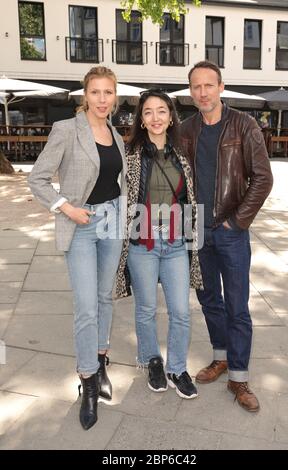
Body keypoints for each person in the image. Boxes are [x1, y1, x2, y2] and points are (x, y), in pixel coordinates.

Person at [28, 66, 127, 430]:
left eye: (108, 93)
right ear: (85, 95)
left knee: (104, 298)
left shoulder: (116, 133)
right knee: (86, 306)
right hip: (81, 225)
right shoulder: (67, 130)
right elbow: (37, 178)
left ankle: (101, 361)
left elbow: (117, 182)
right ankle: (87, 381)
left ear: (115, 96)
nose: (102, 99)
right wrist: (66, 207)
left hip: (113, 222)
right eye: (96, 92)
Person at [180, 60, 273, 412]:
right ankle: (220, 358)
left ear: (221, 87)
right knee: (208, 301)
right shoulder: (185, 130)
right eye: (196, 87)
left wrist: (237, 222)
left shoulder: (244, 126)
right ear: (191, 92)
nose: (202, 92)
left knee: (237, 307)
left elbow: (263, 178)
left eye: (209, 85)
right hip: (197, 232)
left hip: (231, 232)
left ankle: (239, 376)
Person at [116, 89, 202, 399]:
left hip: (176, 242)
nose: (155, 117)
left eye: (161, 111)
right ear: (141, 118)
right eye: (148, 112)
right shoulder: (130, 153)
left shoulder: (181, 153)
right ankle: (152, 360)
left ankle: (177, 368)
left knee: (181, 311)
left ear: (170, 117)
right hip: (143, 241)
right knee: (147, 309)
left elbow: (189, 196)